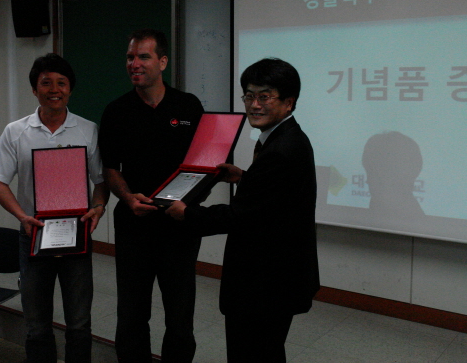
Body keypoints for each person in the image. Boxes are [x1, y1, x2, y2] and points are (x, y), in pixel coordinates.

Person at [166, 57, 320, 362]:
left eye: (265, 96)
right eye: (249, 96)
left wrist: (187, 213)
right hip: (276, 278)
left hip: (264, 283)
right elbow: (273, 199)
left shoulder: (281, 150)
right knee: (267, 351)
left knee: (252, 353)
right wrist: (244, 178)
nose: (254, 105)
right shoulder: (287, 139)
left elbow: (242, 216)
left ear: (289, 102)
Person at [0, 53, 108, 363]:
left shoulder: (88, 129)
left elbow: (101, 181)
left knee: (79, 323)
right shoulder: (16, 131)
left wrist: (98, 207)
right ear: (34, 89)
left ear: (70, 89)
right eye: (46, 83)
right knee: (36, 325)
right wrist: (21, 216)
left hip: (77, 235)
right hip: (33, 234)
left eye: (61, 83)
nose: (54, 90)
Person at [98, 29, 204, 362]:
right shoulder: (116, 111)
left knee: (180, 315)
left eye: (143, 56)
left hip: (179, 227)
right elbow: (110, 168)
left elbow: (204, 163)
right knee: (131, 314)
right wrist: (128, 197)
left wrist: (189, 204)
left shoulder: (188, 106)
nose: (135, 63)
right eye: (130, 57)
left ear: (163, 62)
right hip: (134, 226)